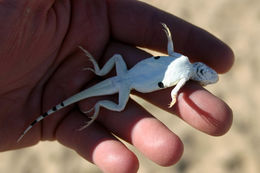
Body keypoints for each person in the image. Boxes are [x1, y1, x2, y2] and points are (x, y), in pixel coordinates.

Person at [0, 0, 234, 173]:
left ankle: (97, 76)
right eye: (206, 71)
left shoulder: (182, 63)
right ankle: (97, 99)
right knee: (115, 104)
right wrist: (174, 97)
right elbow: (173, 91)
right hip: (127, 82)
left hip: (126, 75)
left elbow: (172, 61)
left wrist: (170, 40)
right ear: (201, 70)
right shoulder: (183, 71)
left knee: (109, 96)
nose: (205, 71)